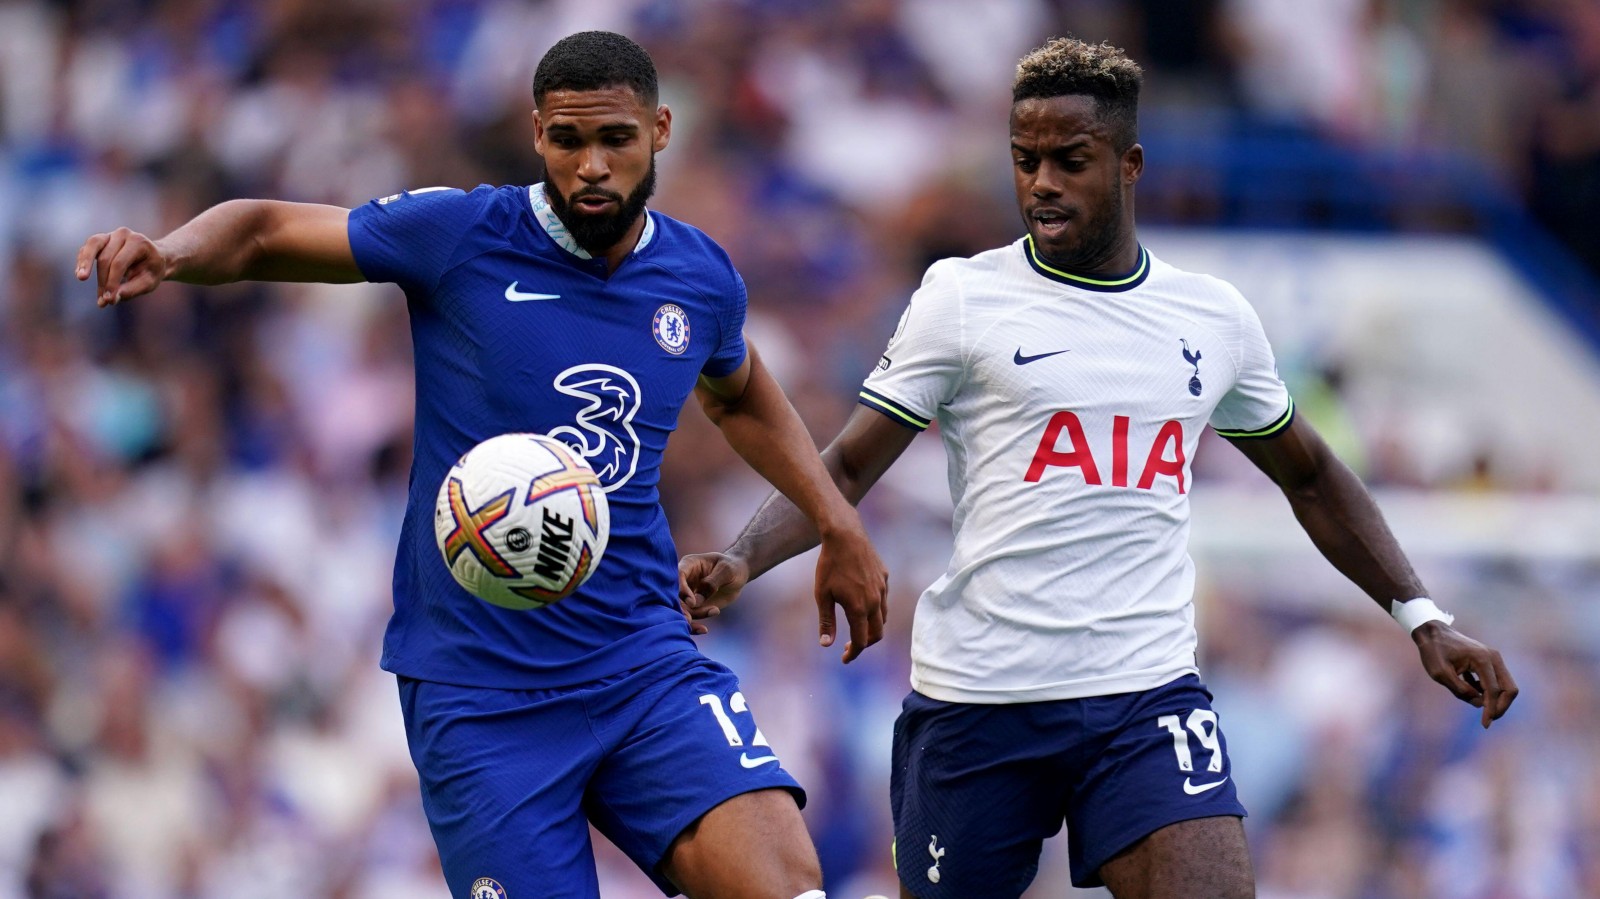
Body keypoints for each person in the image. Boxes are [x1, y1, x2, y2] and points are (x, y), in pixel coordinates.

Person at [679, 36, 1519, 899]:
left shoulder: (1212, 317)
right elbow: (849, 463)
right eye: (1024, 159)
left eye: (1069, 160)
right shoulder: (963, 300)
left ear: (1129, 164)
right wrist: (744, 557)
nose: (1041, 181)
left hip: (1143, 697)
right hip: (979, 703)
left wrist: (1422, 615)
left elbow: (1310, 475)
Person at [75, 30, 889, 899]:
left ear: (659, 130)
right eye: (567, 140)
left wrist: (836, 520)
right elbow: (269, 230)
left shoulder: (699, 276)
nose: (591, 165)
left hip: (641, 660)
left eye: (615, 138)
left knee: (790, 887)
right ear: (537, 134)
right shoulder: (460, 234)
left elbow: (740, 395)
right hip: (480, 698)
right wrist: (172, 251)